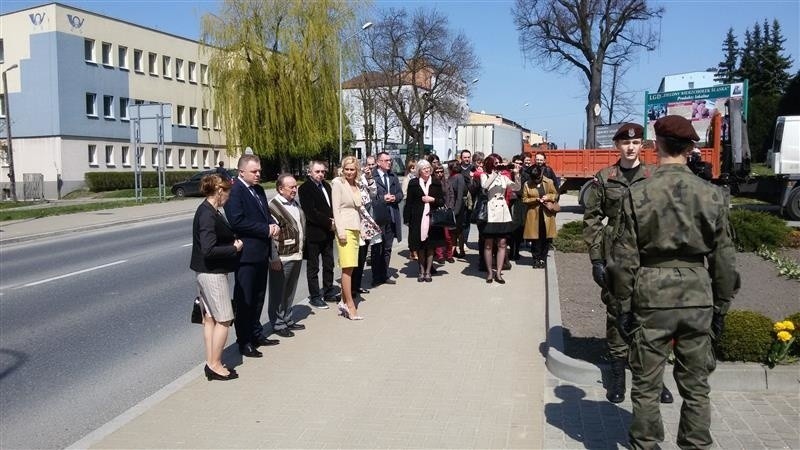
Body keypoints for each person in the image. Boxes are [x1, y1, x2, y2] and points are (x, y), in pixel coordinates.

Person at [606, 115, 740, 450]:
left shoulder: (637, 193)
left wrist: (622, 307)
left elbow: (623, 260)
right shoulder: (713, 195)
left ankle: (646, 444)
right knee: (696, 386)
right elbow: (724, 258)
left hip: (651, 295)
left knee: (647, 385)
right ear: (691, 147)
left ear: (655, 145)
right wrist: (721, 305)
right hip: (697, 294)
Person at [582, 122, 673, 404]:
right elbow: (592, 219)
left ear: (642, 146)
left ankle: (652, 377)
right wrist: (597, 258)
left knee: (651, 315)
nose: (631, 147)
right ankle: (618, 373)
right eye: (625, 143)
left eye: (636, 143)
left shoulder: (654, 176)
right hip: (617, 256)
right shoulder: (605, 177)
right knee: (618, 312)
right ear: (617, 146)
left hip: (649, 256)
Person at [225, 154, 280, 359]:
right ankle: (244, 341)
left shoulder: (257, 190)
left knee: (258, 297)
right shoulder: (235, 192)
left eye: (259, 171)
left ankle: (257, 333)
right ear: (241, 172)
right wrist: (265, 229)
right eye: (254, 171)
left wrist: (274, 224)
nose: (258, 174)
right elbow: (237, 222)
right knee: (245, 299)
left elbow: (265, 214)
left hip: (261, 252)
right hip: (246, 254)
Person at [190, 174, 243, 381]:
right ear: (220, 191)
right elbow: (208, 249)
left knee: (210, 319)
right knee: (224, 319)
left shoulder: (209, 210)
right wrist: (234, 247)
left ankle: (211, 361)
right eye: (227, 193)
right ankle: (214, 365)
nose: (228, 198)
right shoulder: (207, 214)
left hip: (206, 272)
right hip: (212, 274)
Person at [266, 174, 307, 339]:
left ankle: (287, 318)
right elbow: (270, 236)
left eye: (295, 186)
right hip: (282, 257)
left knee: (290, 291)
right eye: (291, 187)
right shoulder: (273, 206)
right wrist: (273, 258)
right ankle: (277, 323)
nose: (294, 189)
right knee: (278, 292)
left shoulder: (294, 203)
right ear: (280, 189)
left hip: (296, 254)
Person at [298, 161, 337, 310]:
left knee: (329, 264)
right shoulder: (305, 188)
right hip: (314, 233)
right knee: (313, 267)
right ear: (309, 172)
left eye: (322, 171)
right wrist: (329, 222)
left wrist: (333, 220)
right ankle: (315, 296)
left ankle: (328, 291)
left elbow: (331, 206)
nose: (320, 174)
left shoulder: (326, 186)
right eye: (317, 171)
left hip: (328, 233)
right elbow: (311, 212)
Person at [331, 156, 364, 320]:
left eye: (352, 169)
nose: (349, 172)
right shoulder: (338, 183)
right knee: (347, 267)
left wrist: (362, 229)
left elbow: (359, 210)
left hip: (356, 228)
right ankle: (350, 304)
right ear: (342, 169)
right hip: (344, 228)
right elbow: (335, 209)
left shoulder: (356, 185)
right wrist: (340, 231)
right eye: (347, 169)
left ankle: (344, 302)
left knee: (351, 267)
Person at [480, 153, 520, 284]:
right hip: (491, 213)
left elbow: (517, 188)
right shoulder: (484, 175)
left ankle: (498, 272)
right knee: (488, 244)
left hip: (502, 212)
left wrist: (517, 174)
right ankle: (489, 272)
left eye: (499, 163)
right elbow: (485, 186)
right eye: (496, 163)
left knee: (502, 243)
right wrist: (495, 173)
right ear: (490, 164)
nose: (499, 165)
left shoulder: (504, 178)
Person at [406, 159, 446, 282]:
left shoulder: (436, 182)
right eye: (424, 168)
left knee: (430, 246)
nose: (427, 170)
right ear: (419, 171)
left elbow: (442, 201)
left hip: (432, 219)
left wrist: (432, 199)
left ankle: (428, 271)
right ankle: (421, 270)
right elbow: (409, 203)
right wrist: (407, 219)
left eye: (428, 167)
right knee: (420, 246)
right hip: (417, 219)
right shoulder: (413, 183)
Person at [371, 151, 404, 287]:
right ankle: (375, 276)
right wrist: (382, 199)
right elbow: (369, 197)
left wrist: (395, 198)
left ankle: (384, 274)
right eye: (386, 160)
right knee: (376, 248)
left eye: (390, 160)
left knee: (387, 247)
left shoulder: (393, 176)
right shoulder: (372, 177)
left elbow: (400, 194)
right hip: (378, 217)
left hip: (391, 216)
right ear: (379, 162)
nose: (389, 162)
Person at [352, 157, 381, 297]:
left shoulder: (364, 178)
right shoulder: (349, 181)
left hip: (366, 218)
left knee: (363, 254)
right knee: (356, 256)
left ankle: (357, 286)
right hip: (356, 217)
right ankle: (350, 287)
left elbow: (373, 193)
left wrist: (369, 178)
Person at [522, 165, 559, 268]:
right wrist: (535, 200)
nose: (537, 181)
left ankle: (543, 259)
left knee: (546, 238)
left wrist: (548, 197)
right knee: (535, 239)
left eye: (538, 178)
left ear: (541, 175)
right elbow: (524, 199)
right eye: (534, 179)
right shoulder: (527, 184)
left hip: (547, 214)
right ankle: (536, 259)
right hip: (534, 214)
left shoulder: (549, 182)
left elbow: (555, 194)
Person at [433, 162, 454, 263]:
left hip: (446, 211)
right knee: (438, 235)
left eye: (441, 171)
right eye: (437, 172)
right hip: (437, 211)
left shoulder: (447, 182)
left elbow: (451, 195)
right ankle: (439, 255)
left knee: (448, 236)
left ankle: (449, 254)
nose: (439, 174)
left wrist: (449, 207)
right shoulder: (432, 183)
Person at [447, 160, 468, 259]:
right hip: (451, 206)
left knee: (458, 230)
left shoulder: (459, 177)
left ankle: (461, 250)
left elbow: (460, 195)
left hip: (458, 206)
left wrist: (456, 211)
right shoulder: (450, 176)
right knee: (453, 231)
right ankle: (453, 250)